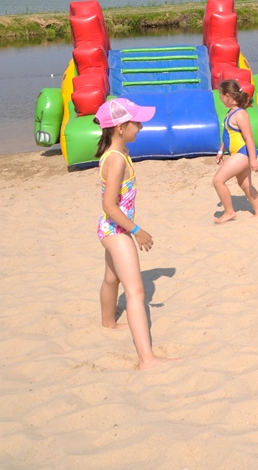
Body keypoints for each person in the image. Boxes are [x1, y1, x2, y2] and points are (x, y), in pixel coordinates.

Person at [94, 97, 174, 370]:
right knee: (136, 292)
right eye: (136, 123)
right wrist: (137, 231)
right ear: (119, 128)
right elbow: (109, 205)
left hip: (109, 227)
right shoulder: (116, 160)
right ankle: (146, 359)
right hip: (117, 230)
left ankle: (108, 322)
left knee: (111, 278)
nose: (140, 127)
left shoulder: (119, 152)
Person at [213, 79, 258, 224]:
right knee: (245, 185)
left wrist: (253, 160)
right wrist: (221, 151)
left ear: (227, 95)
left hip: (243, 153)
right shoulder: (230, 112)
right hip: (238, 153)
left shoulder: (240, 114)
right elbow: (228, 135)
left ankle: (229, 212)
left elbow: (249, 138)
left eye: (221, 95)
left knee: (218, 180)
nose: (220, 98)